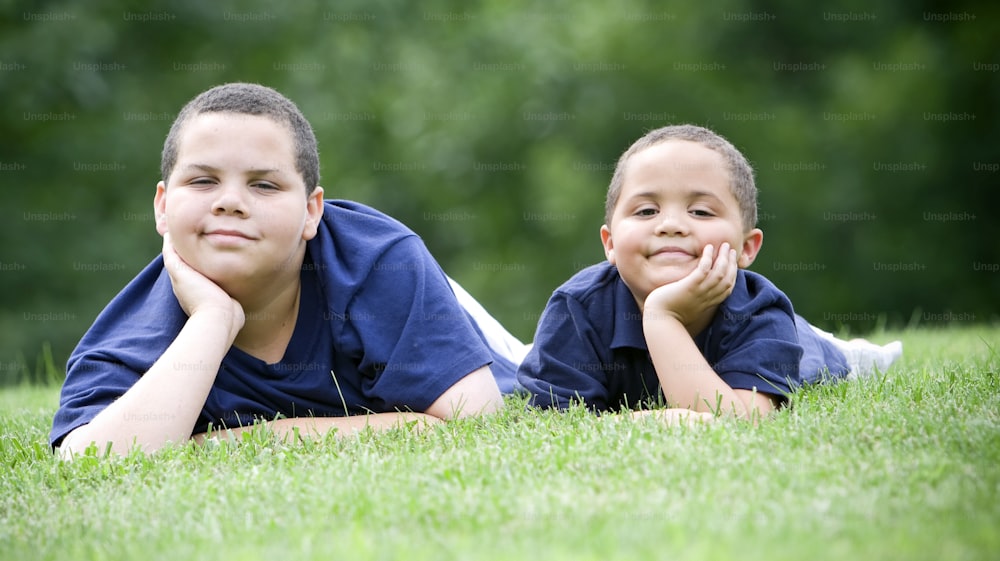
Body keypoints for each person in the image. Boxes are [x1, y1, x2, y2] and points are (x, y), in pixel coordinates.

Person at [51, 82, 525, 457]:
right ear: (162, 205)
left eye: (264, 185)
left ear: (311, 211)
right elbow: (90, 460)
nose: (230, 202)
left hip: (499, 355)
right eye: (202, 180)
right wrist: (213, 320)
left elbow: (475, 421)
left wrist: (232, 443)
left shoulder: (379, 260)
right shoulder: (136, 329)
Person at [517, 124, 901, 418]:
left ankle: (851, 356)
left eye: (700, 211)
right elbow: (556, 422)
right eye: (646, 211)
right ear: (610, 243)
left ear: (746, 248)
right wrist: (656, 421)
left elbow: (739, 423)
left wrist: (661, 316)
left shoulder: (760, 312)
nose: (670, 224)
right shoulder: (576, 307)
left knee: (810, 358)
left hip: (799, 348)